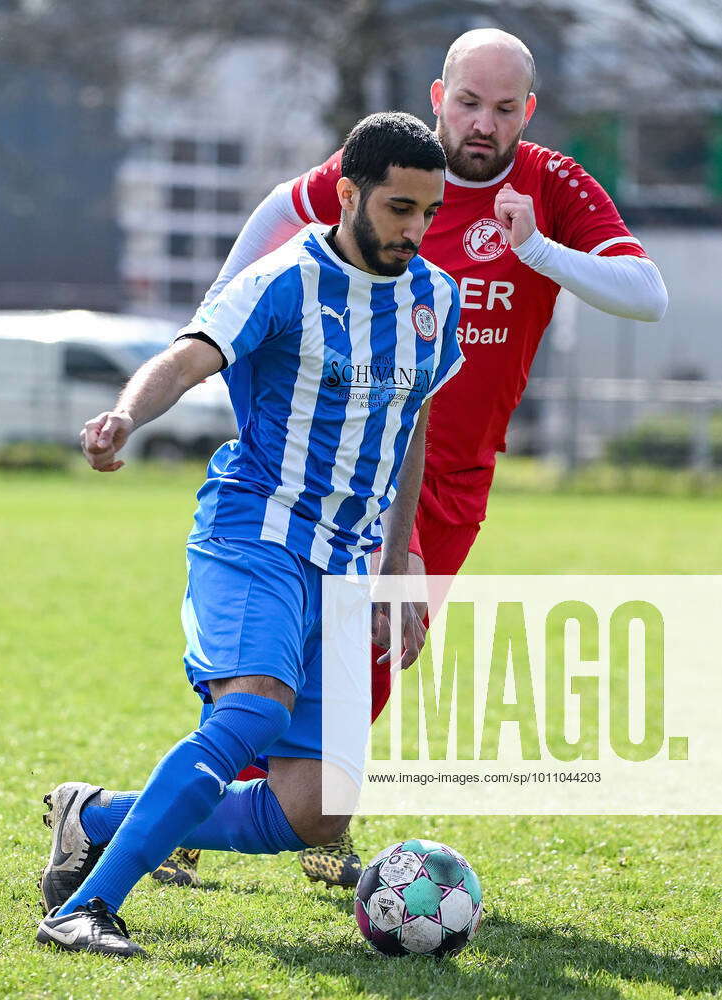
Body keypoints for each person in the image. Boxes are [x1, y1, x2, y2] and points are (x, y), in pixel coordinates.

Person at [143, 26, 669, 891]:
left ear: (527, 111)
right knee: (302, 650)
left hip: (456, 475)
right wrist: (213, 322)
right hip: (351, 459)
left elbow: (645, 296)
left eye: (504, 109)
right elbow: (283, 206)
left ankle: (287, 812)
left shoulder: (551, 185)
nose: (482, 125)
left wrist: (536, 248)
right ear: (437, 95)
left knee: (381, 654)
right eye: (467, 102)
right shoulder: (395, 171)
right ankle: (211, 818)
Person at [35, 111, 464, 957]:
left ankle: (95, 817)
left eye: (428, 211)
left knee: (314, 811)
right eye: (398, 209)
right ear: (349, 192)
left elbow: (411, 429)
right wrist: (125, 414)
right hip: (254, 533)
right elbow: (188, 355)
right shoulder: (283, 278)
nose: (415, 230)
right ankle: (86, 907)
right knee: (252, 713)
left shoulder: (433, 298)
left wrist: (396, 569)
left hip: (346, 564)